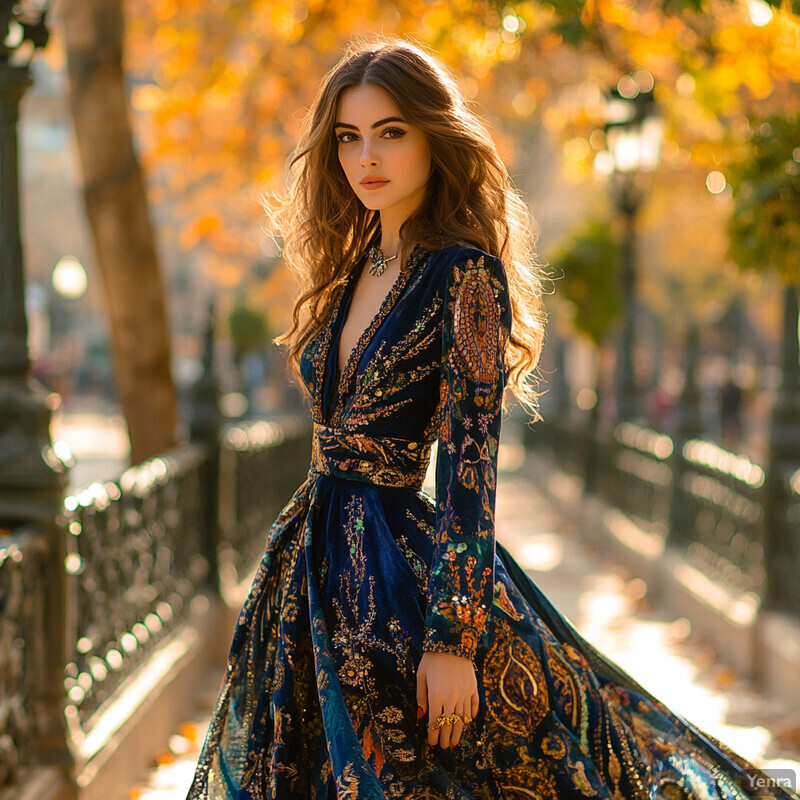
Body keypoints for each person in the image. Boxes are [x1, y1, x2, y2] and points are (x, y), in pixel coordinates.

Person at [186, 38, 795, 800]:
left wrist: (453, 640)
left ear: (434, 138)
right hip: (312, 569)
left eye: (391, 132)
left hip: (398, 579)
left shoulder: (465, 276)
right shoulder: (353, 270)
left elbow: (471, 466)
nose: (366, 157)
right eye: (349, 137)